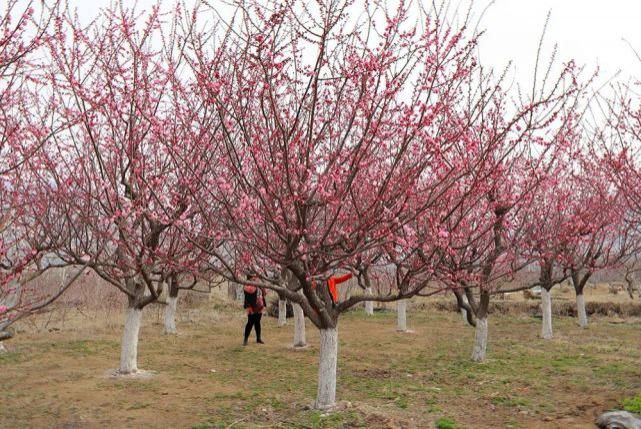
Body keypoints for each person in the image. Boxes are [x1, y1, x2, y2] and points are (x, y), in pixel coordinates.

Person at [243, 275, 267, 346]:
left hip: (259, 306)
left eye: (255, 277)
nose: (255, 278)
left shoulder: (258, 284)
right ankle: (245, 339)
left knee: (257, 323)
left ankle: (258, 338)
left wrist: (262, 287)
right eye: (253, 277)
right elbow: (251, 290)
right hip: (251, 307)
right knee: (250, 323)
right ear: (249, 278)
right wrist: (256, 284)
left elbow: (264, 293)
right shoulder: (247, 285)